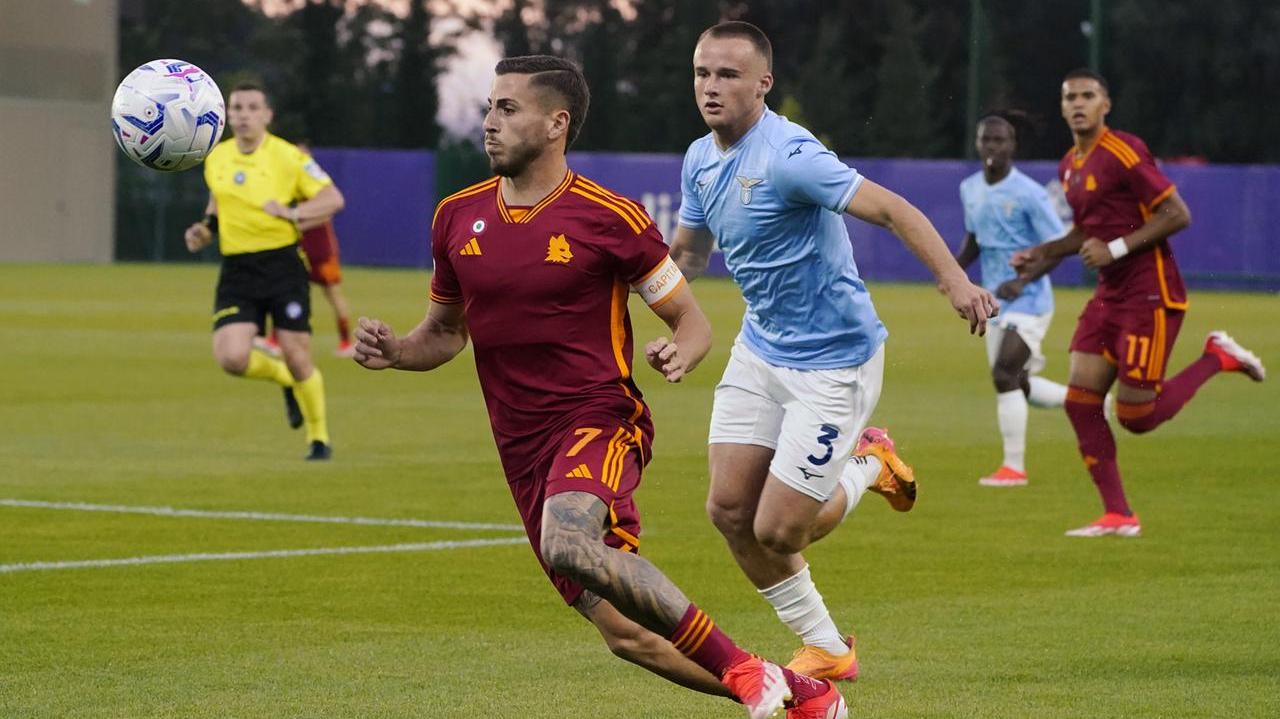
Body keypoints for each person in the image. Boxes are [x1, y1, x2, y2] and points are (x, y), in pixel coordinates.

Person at [354, 56, 846, 719]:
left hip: (600, 417)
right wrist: (395, 351)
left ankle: (741, 671)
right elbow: (444, 332)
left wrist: (681, 351)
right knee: (627, 634)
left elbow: (692, 320)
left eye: (507, 109)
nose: (490, 124)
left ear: (557, 123)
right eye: (488, 109)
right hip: (521, 448)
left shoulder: (609, 217)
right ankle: (797, 691)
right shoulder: (455, 217)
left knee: (567, 542)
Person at [668, 21, 998, 681]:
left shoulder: (791, 156)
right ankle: (827, 647)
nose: (711, 87)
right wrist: (653, 307)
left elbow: (894, 210)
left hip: (835, 363)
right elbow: (688, 253)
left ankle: (869, 466)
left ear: (763, 83)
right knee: (729, 510)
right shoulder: (699, 158)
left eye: (728, 74)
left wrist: (955, 281)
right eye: (703, 72)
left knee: (782, 530)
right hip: (761, 349)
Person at [1011, 68, 1266, 537]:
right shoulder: (1070, 163)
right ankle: (1119, 515)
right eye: (1071, 97)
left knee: (1137, 417)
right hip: (1109, 294)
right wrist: (1042, 254)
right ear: (1062, 107)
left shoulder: (1123, 151)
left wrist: (1117, 249)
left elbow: (1177, 214)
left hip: (1150, 293)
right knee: (1081, 401)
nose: (1079, 104)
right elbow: (1089, 231)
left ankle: (1217, 357)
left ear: (1106, 104)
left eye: (1088, 95)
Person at [183, 82, 343, 461]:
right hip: (237, 269)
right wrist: (204, 230)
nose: (243, 115)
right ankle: (285, 379)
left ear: (267, 115)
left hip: (282, 265)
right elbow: (217, 204)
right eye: (236, 108)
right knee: (232, 358)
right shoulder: (216, 158)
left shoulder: (288, 157)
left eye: (252, 107)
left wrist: (292, 213)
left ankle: (319, 439)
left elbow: (333, 198)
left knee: (297, 354)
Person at [955, 111, 1070, 487]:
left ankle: (1013, 468)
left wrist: (1023, 281)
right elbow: (975, 238)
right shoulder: (970, 188)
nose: (992, 147)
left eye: (1000, 140)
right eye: (986, 139)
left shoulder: (1030, 194)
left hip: (1031, 301)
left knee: (1003, 373)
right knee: (1017, 381)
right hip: (993, 301)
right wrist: (953, 272)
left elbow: (1056, 247)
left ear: (1013, 146)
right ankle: (1085, 401)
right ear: (978, 144)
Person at [294, 142, 356, 358]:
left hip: (321, 249)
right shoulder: (290, 183)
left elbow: (327, 213)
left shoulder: (318, 184)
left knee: (332, 294)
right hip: (298, 248)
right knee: (288, 290)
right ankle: (275, 340)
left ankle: (347, 342)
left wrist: (298, 224)